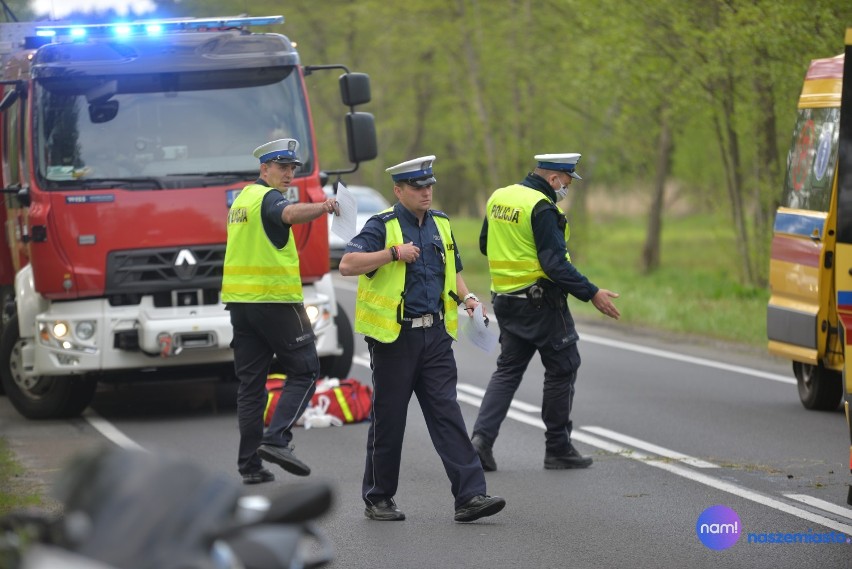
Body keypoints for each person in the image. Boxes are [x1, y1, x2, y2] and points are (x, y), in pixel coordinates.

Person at [339, 155, 506, 523]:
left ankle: (470, 496)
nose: (426, 192)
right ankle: (379, 498)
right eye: (418, 187)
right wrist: (392, 254)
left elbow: (453, 272)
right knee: (390, 420)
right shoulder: (381, 225)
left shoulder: (442, 224)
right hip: (394, 340)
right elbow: (348, 264)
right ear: (399, 191)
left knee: (448, 415)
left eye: (429, 185)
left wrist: (468, 299)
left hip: (435, 337)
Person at [471, 152, 620, 472]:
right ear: (553, 179)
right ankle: (558, 447)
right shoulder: (542, 207)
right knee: (563, 366)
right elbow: (555, 265)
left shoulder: (500, 196)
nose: (567, 187)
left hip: (505, 300)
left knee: (508, 371)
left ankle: (480, 442)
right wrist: (592, 293)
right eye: (566, 182)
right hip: (541, 304)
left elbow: (485, 244)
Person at [222, 138, 340, 485]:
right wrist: (322, 207)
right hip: (274, 301)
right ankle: (277, 439)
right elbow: (288, 213)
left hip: (241, 305)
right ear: (265, 169)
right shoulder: (271, 198)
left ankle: (250, 465)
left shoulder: (241, 199)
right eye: (282, 167)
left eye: (292, 168)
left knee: (251, 385)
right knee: (305, 369)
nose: (289, 173)